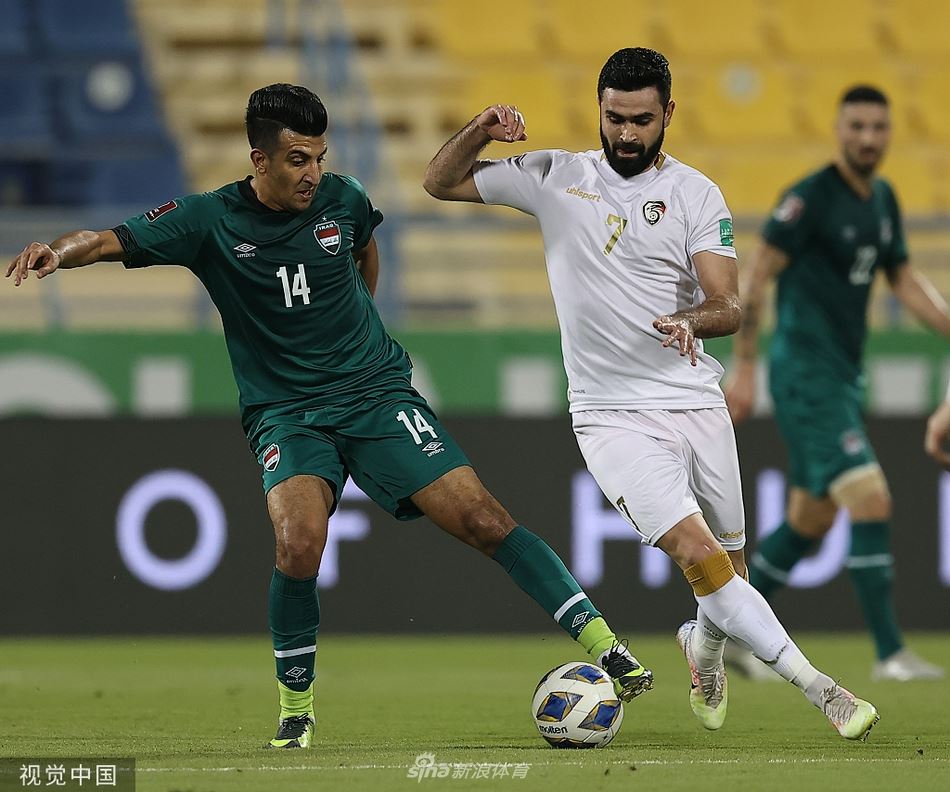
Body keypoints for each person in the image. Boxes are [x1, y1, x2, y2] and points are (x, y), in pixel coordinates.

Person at [5, 84, 654, 750]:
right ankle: (296, 710)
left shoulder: (343, 199)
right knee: (298, 542)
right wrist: (58, 252)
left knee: (484, 519)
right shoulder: (208, 219)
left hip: (374, 394)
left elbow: (364, 249)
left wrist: (360, 324)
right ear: (259, 160)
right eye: (296, 160)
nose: (312, 173)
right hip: (286, 413)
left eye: (318, 157)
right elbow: (106, 239)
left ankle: (607, 647)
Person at [423, 47, 879, 740]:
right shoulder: (556, 176)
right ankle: (823, 691)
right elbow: (439, 181)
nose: (626, 133)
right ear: (599, 110)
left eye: (641, 119)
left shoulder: (695, 193)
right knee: (700, 556)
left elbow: (729, 306)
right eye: (615, 118)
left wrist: (690, 319)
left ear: (668, 113)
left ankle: (703, 648)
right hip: (609, 415)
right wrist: (481, 128)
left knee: (729, 569)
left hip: (694, 401)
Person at [725, 85, 947, 682]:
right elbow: (757, 275)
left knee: (811, 518)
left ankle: (724, 634)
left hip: (843, 376)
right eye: (857, 126)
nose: (868, 138)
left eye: (879, 127)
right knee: (872, 499)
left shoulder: (883, 199)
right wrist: (745, 365)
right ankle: (890, 654)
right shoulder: (809, 198)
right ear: (838, 130)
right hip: (805, 374)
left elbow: (902, 277)